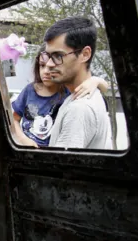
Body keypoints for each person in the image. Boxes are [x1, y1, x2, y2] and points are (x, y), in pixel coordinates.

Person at [12, 43, 109, 148]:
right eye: (42, 65)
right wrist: (23, 139)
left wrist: (95, 81)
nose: (46, 71)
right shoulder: (29, 90)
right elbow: (14, 119)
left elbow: (104, 87)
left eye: (52, 65)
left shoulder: (69, 92)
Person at [42, 17, 112, 149]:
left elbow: (61, 167)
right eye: (49, 56)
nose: (49, 64)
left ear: (85, 54)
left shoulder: (79, 108)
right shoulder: (82, 95)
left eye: (58, 56)